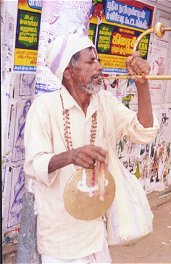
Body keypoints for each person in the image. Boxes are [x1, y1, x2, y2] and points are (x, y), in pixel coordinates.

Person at [24, 33, 159, 263]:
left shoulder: (104, 102)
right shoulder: (44, 108)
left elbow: (143, 131)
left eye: (98, 60)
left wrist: (142, 85)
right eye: (90, 61)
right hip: (59, 237)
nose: (99, 66)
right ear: (68, 71)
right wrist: (71, 156)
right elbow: (34, 164)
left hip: (96, 233)